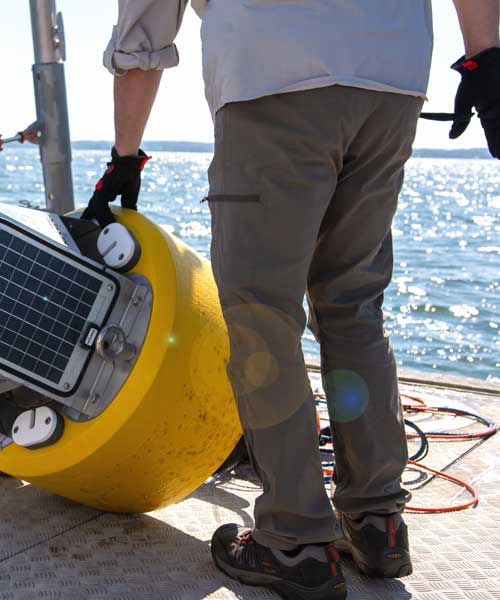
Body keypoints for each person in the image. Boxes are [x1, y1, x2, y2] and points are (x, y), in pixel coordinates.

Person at [86, 1, 500, 598]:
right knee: (353, 303)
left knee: (262, 319)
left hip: (272, 81)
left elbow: (143, 35)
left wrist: (126, 156)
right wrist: (484, 56)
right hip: (393, 77)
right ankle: (378, 521)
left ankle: (296, 540)